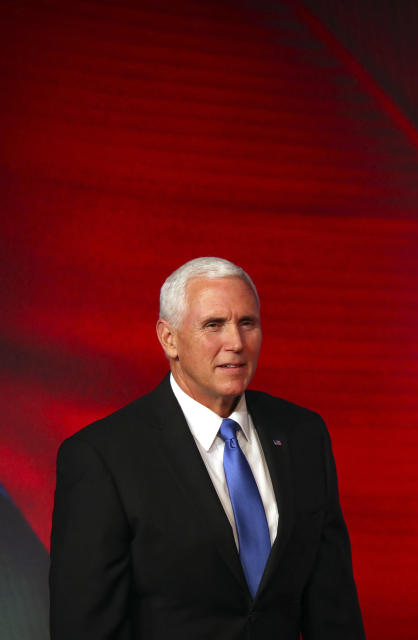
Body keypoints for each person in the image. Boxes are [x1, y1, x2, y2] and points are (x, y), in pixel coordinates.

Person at [49, 257, 364, 639]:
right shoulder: (101, 456)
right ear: (169, 338)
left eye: (247, 323)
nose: (235, 342)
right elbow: (86, 628)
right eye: (214, 325)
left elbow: (334, 609)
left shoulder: (303, 434)